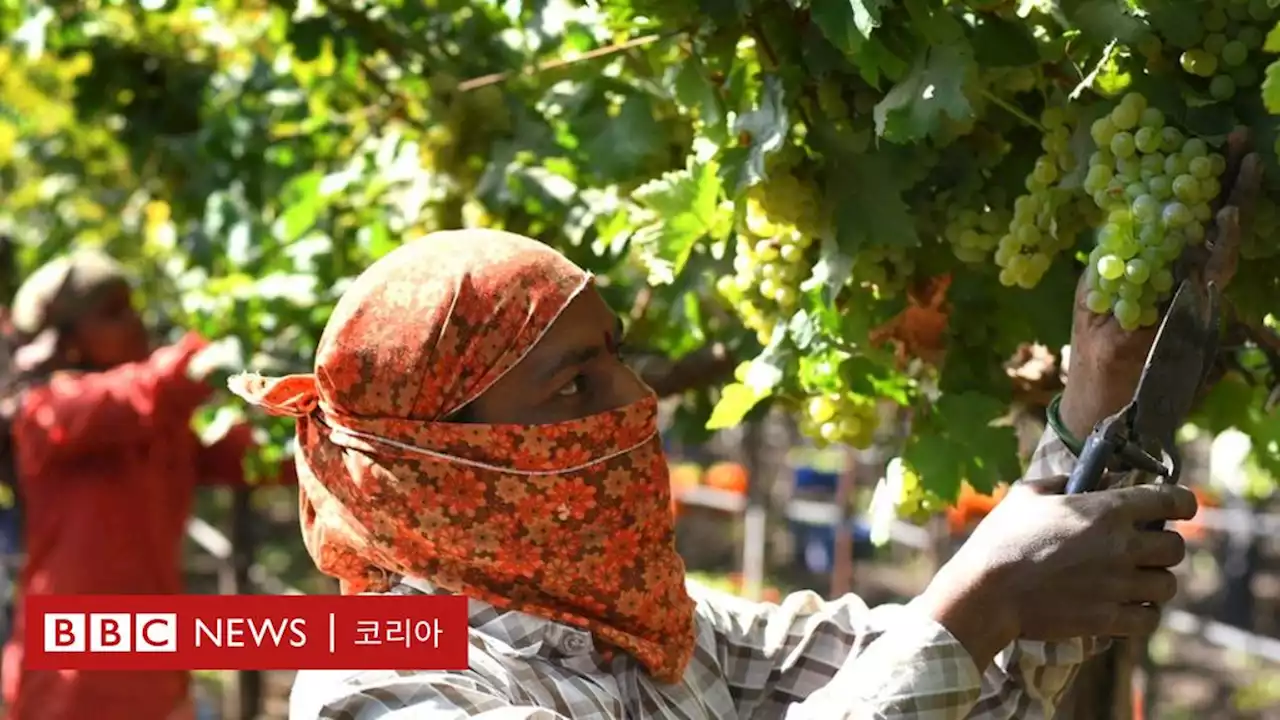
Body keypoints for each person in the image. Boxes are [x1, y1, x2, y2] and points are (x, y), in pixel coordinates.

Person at [224, 227, 1207, 720]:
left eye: (615, 352)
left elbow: (936, 679)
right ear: (439, 468)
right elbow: (955, 637)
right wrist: (977, 603)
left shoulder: (648, 633)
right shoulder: (394, 691)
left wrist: (1094, 405)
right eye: (575, 385)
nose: (634, 399)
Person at [0, 248, 297, 720]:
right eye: (113, 313)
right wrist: (221, 337)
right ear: (70, 340)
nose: (135, 320)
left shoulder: (163, 427)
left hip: (157, 676)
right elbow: (143, 393)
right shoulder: (46, 412)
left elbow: (258, 460)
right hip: (69, 686)